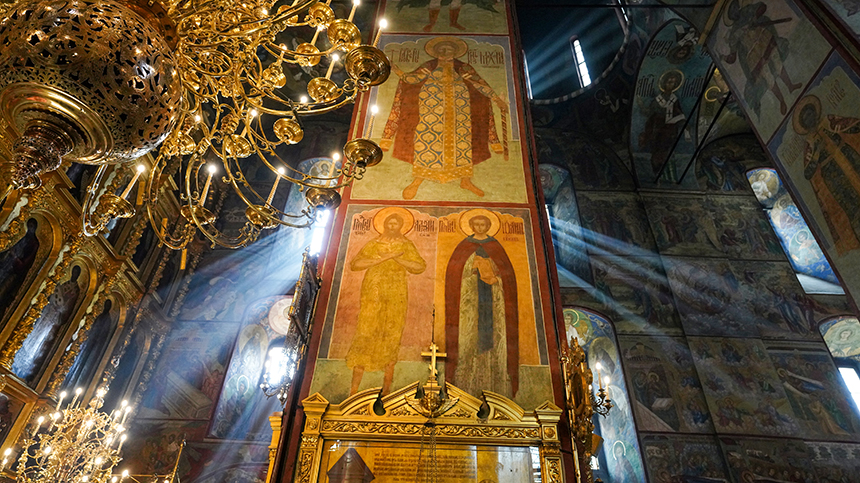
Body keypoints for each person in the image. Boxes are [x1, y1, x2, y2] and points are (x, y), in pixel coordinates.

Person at [380, 37, 507, 200]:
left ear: (455, 52)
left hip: (459, 107)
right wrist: (396, 70)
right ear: (436, 52)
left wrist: (496, 99)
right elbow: (412, 79)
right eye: (442, 49)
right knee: (427, 138)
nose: (445, 52)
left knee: (462, 141)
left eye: (449, 49)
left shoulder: (463, 67)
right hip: (432, 106)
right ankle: (418, 180)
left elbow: (479, 84)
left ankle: (465, 180)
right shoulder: (429, 66)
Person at [346, 209, 426, 394]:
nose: (392, 226)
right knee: (366, 330)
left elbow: (419, 266)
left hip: (396, 293)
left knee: (392, 331)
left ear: (401, 226)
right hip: (373, 292)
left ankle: (387, 390)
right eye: (389, 223)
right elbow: (355, 264)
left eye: (395, 224)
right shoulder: (374, 244)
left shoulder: (406, 245)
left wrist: (399, 259)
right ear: (384, 224)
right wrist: (383, 257)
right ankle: (354, 390)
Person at [445, 210, 518, 397]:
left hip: (493, 299)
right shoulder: (464, 246)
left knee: (493, 338)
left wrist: (492, 272)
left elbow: (507, 275)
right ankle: (466, 385)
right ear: (471, 226)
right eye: (476, 225)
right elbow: (455, 274)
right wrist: (472, 264)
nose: (479, 228)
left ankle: (495, 385)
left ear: (488, 226)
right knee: (470, 339)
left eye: (483, 224)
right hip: (470, 301)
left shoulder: (495, 246)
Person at [794, 94, 860, 255]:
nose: (810, 118)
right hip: (832, 172)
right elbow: (808, 172)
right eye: (806, 118)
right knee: (849, 202)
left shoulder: (828, 121)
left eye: (810, 114)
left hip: (848, 157)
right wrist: (817, 151)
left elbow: (850, 125)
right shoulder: (809, 143)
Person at [720, 0, 801, 115]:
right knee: (768, 76)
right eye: (732, 10)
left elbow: (763, 7)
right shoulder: (733, 33)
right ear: (731, 16)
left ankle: (790, 86)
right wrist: (723, 57)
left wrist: (754, 18)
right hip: (753, 54)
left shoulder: (747, 11)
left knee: (778, 63)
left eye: (735, 7)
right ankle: (782, 101)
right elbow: (733, 57)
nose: (735, 10)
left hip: (764, 40)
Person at [639, 70, 688, 177]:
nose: (671, 85)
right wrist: (641, 105)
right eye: (669, 82)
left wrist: (681, 120)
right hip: (657, 129)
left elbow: (679, 113)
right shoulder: (657, 100)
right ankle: (656, 168)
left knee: (665, 149)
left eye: (673, 83)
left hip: (669, 130)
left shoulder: (674, 99)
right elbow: (649, 112)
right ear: (664, 83)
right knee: (656, 149)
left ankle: (664, 169)